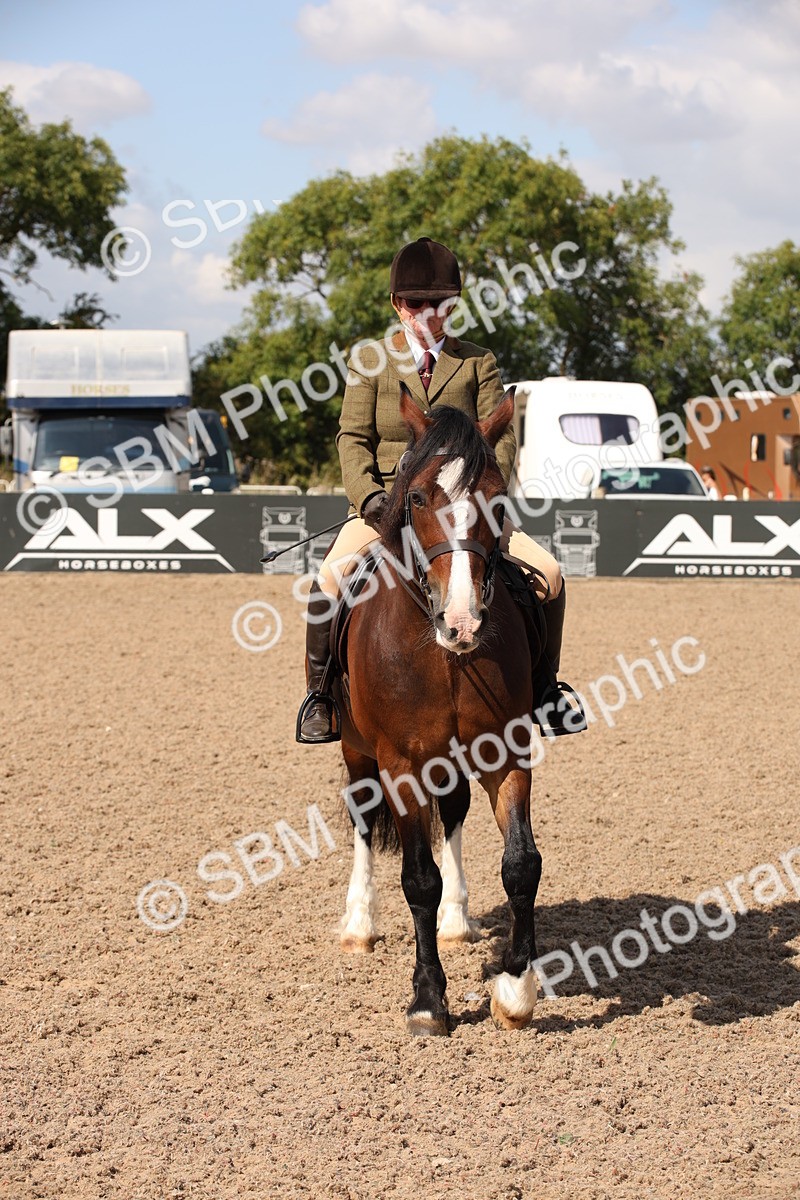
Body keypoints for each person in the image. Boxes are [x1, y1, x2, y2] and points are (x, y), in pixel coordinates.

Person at [297, 236, 586, 743]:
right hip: (384, 508)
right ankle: (321, 697)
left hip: (466, 506)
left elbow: (503, 438)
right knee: (328, 579)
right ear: (397, 305)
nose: (428, 314)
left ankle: (545, 689)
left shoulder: (478, 362)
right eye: (416, 304)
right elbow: (352, 439)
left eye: (439, 304)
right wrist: (371, 499)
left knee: (551, 573)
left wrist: (481, 492)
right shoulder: (370, 360)